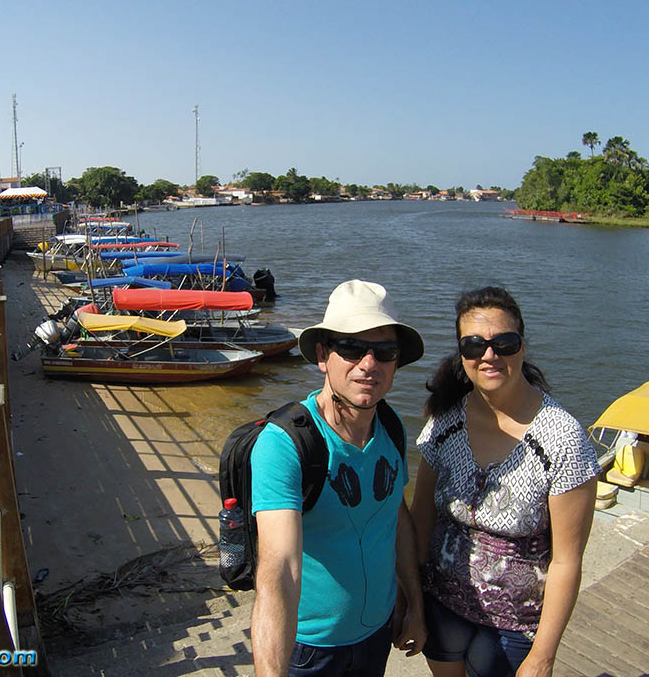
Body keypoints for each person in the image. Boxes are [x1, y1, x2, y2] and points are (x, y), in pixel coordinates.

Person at [410, 286, 599, 677]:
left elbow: (566, 561)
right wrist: (411, 599)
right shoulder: (445, 420)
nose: (489, 355)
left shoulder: (563, 438)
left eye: (504, 343)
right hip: (441, 605)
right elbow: (422, 517)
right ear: (462, 353)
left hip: (517, 624)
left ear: (523, 347)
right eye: (474, 344)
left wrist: (544, 655)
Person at [250, 280, 427, 677]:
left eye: (384, 352)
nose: (368, 364)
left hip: (376, 635)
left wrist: (414, 605)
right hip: (308, 651)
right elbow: (279, 569)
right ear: (322, 355)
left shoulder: (392, 426)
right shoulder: (285, 445)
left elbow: (395, 518)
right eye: (350, 348)